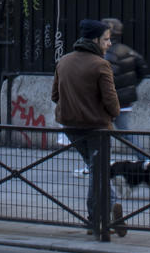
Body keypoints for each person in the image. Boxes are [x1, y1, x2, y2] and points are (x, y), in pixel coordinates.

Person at [50, 19, 127, 237]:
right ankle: (98, 218)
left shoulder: (63, 61)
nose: (109, 43)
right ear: (94, 40)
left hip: (71, 126)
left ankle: (108, 208)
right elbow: (112, 102)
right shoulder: (101, 65)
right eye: (106, 39)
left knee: (96, 169)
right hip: (97, 128)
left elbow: (55, 96)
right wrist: (113, 114)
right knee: (97, 171)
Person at [102, 15, 150, 192]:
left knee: (101, 132)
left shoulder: (107, 54)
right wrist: (131, 86)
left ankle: (101, 165)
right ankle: (146, 161)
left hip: (108, 100)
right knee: (126, 134)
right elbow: (143, 68)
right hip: (125, 100)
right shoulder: (129, 51)